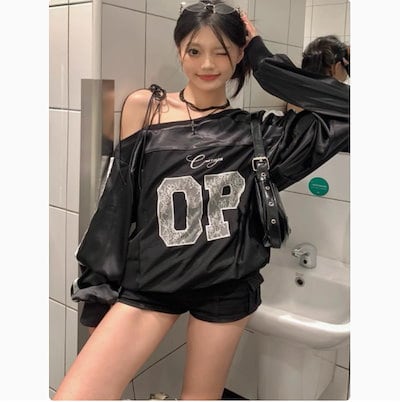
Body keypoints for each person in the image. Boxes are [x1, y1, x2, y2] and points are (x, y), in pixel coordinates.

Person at [53, 1, 349, 399]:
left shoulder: (260, 133)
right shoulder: (145, 109)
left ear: (239, 54)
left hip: (226, 288)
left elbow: (352, 111)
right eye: (194, 50)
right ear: (179, 51)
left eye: (222, 51)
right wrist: (97, 291)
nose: (207, 64)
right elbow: (116, 206)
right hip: (151, 285)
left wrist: (263, 60)